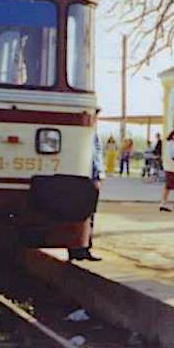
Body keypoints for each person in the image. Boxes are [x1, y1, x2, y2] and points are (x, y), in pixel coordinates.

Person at [69, 108, 104, 261]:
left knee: (88, 213)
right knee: (83, 212)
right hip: (85, 176)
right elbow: (93, 157)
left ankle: (83, 248)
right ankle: (78, 248)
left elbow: (96, 156)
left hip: (89, 176)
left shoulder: (92, 133)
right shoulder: (85, 134)